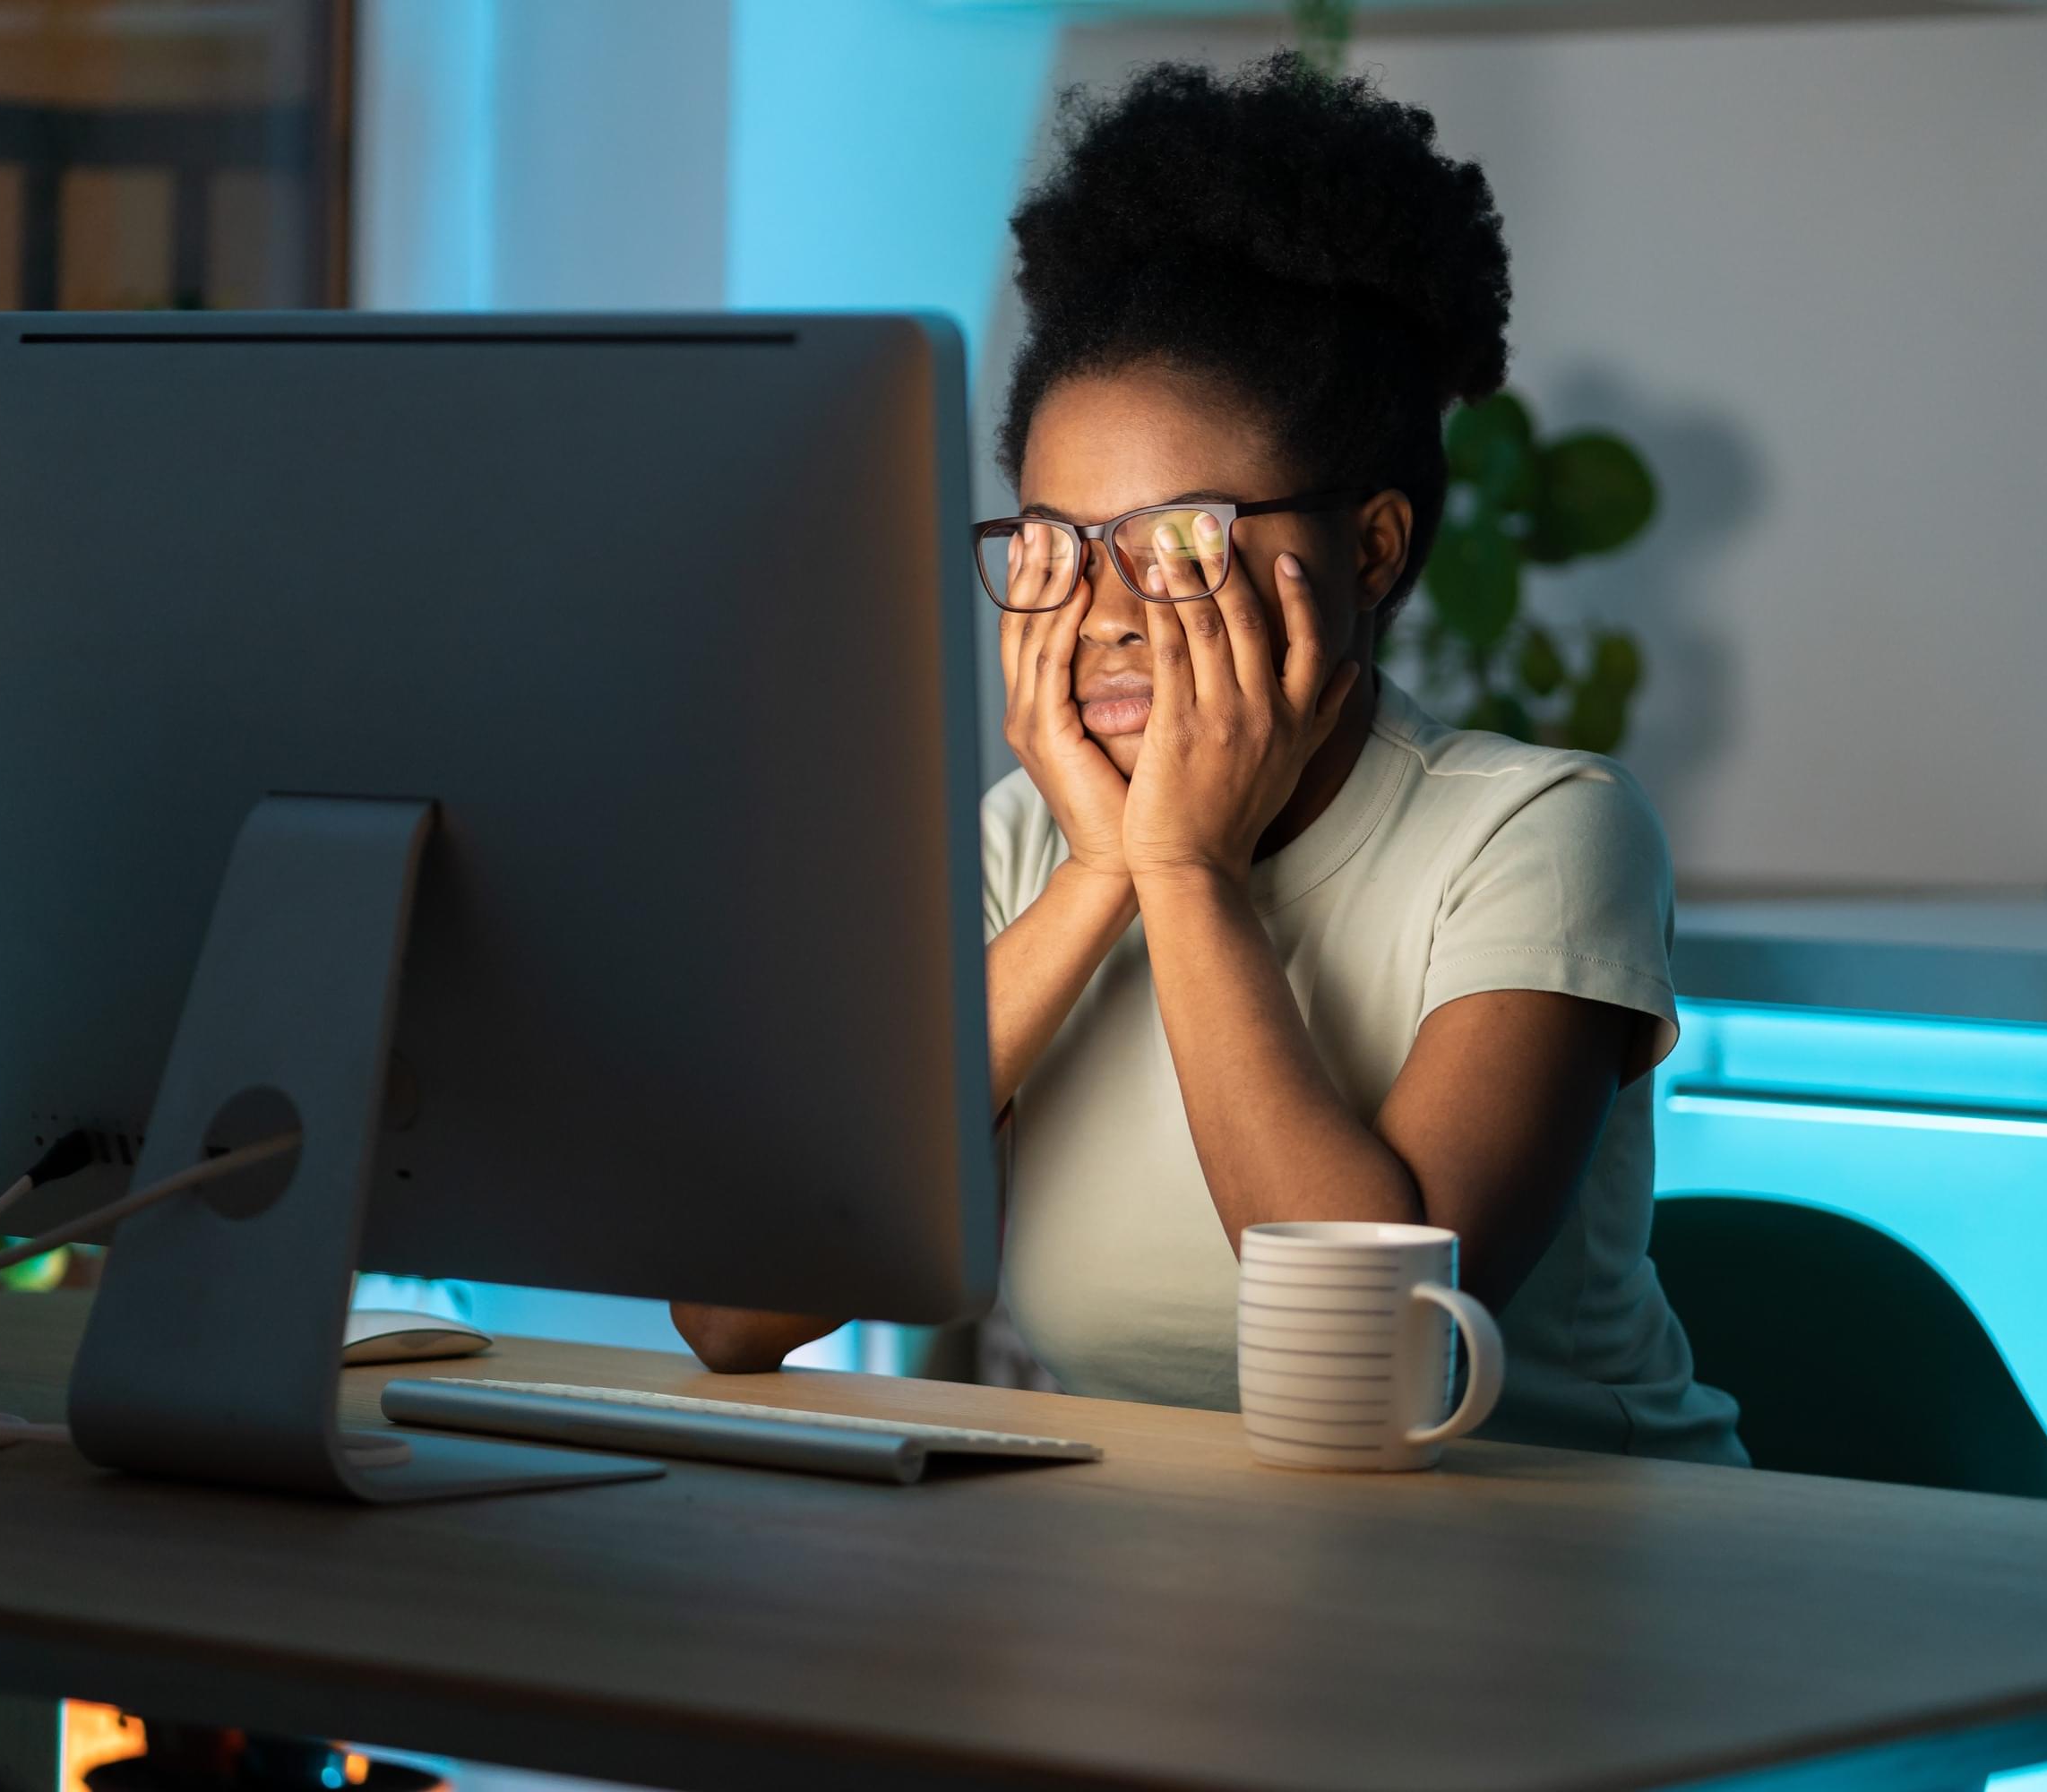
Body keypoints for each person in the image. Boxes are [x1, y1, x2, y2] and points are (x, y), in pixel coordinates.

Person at [675, 52, 1743, 1465]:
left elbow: (1385, 1356)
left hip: (1551, 1598)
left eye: (1175, 542)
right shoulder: (1023, 848)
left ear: (1368, 550)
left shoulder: (1543, 834)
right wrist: (1098, 877)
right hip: (1177, 1590)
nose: (1105, 612)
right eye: (1056, 544)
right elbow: (732, 1314)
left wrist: (1182, 868)